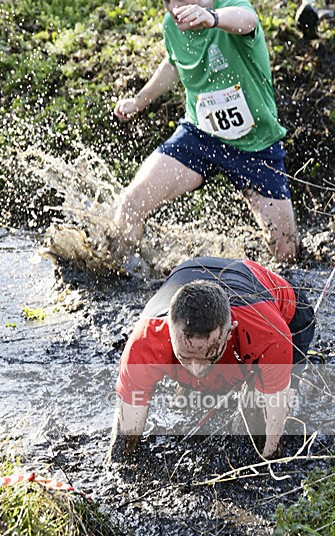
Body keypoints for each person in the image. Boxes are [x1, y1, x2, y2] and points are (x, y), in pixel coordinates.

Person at [113, 0, 299, 263]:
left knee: (286, 253)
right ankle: (126, 278)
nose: (174, 8)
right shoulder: (172, 25)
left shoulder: (230, 7)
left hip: (256, 145)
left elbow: (248, 21)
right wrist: (139, 101)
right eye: (166, 1)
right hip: (200, 135)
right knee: (131, 204)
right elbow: (173, 62)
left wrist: (212, 18)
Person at [108, 256, 315, 462]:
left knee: (256, 420)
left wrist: (269, 462)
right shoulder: (145, 342)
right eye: (185, 357)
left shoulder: (270, 334)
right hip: (189, 271)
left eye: (209, 357)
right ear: (168, 333)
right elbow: (126, 436)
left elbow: (272, 446)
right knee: (188, 400)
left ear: (229, 332)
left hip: (287, 315)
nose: (196, 370)